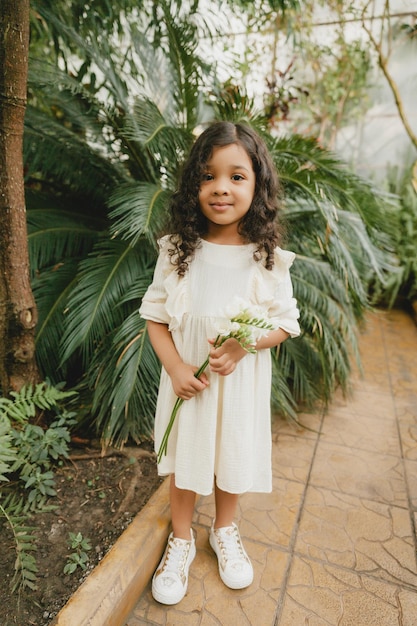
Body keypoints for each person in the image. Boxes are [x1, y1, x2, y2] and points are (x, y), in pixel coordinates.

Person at [139, 120, 300, 605]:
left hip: (239, 388)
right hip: (190, 385)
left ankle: (224, 531)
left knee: (230, 457)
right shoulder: (177, 252)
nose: (221, 188)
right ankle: (182, 538)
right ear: (194, 185)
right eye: (209, 176)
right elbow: (155, 318)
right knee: (187, 461)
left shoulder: (267, 258)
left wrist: (243, 346)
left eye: (236, 176)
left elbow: (287, 323)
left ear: (258, 185)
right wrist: (175, 368)